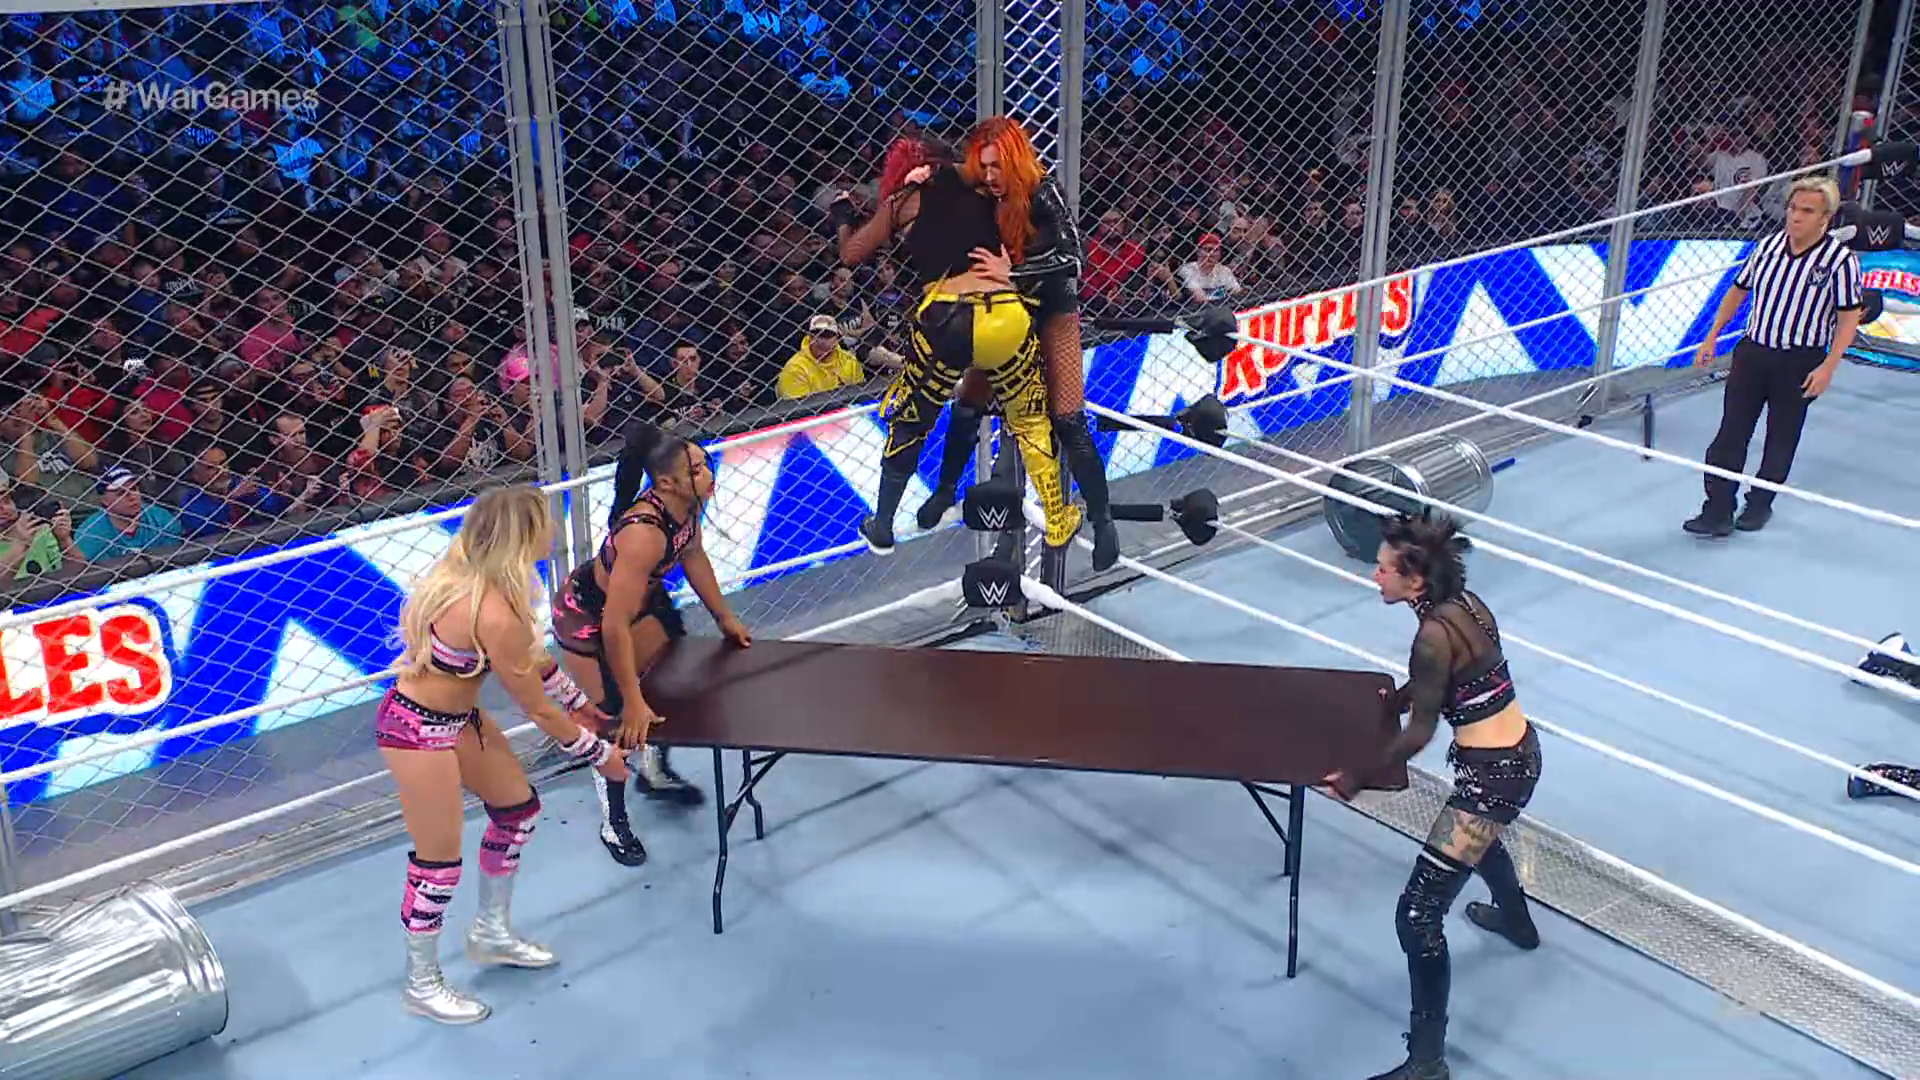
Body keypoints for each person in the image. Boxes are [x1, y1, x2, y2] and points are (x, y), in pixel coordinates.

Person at [378, 485, 627, 1025]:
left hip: (459, 720)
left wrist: (581, 703)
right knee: (438, 863)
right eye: (545, 522)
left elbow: (534, 661)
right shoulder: (490, 610)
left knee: (517, 810)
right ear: (523, 535)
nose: (553, 530)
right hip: (415, 730)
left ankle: (490, 932)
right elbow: (536, 708)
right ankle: (421, 983)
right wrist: (598, 753)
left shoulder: (489, 583)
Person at [1323, 513, 1543, 1080]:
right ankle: (1518, 923)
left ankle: (1427, 1063)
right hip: (1519, 755)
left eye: (1384, 569)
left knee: (1417, 915)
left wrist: (1356, 776)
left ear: (1415, 581)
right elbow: (1453, 681)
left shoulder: (1430, 638)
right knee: (1476, 842)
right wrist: (1401, 698)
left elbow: (1420, 735)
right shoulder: (1466, 606)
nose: (1375, 576)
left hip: (1491, 781)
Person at [831, 131, 1083, 559]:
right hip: (1005, 313)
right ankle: (1054, 516)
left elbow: (851, 254)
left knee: (912, 417)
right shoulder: (986, 189)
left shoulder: (903, 199)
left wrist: (841, 216)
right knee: (1025, 416)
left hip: (947, 316)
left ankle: (884, 524)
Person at [912, 117, 1119, 571]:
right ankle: (945, 491)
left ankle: (1103, 523)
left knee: (1069, 420)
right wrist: (926, 174)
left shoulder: (1044, 191)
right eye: (983, 167)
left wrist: (1014, 273)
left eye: (996, 167)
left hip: (1053, 311)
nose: (990, 176)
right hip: (1009, 313)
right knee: (969, 400)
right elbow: (949, 179)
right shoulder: (983, 196)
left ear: (1014, 160)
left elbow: (1074, 258)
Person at [552, 421, 753, 866]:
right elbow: (613, 626)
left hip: (641, 605)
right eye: (696, 470)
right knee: (612, 720)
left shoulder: (687, 505)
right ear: (666, 483)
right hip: (588, 617)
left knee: (668, 683)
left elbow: (693, 555)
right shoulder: (643, 533)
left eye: (705, 464)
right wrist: (632, 699)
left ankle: (655, 772)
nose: (708, 474)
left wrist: (725, 617)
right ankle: (613, 822)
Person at [1687, 176, 1863, 537]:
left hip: (1800, 360)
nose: (1796, 217)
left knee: (1781, 437)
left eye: (1807, 211)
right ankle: (1717, 510)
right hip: (1753, 352)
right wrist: (1712, 336)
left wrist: (1829, 366)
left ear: (1825, 218)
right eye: (1793, 208)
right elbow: (1738, 291)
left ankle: (1760, 502)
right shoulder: (1767, 247)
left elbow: (1848, 318)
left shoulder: (1840, 262)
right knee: (1730, 434)